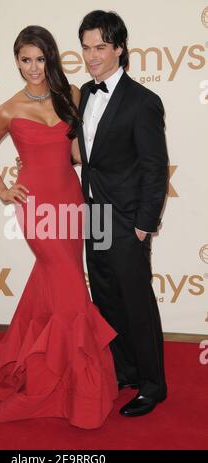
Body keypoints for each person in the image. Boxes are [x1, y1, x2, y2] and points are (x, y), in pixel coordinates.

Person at [0, 25, 118, 429]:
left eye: (39, 58)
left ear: (50, 58)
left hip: (70, 199)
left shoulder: (71, 96)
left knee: (58, 283)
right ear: (17, 62)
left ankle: (31, 355)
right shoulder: (7, 109)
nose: (33, 68)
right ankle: (76, 388)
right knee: (71, 285)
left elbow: (74, 152)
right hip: (35, 206)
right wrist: (2, 188)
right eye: (25, 60)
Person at [77, 10, 169, 417]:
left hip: (127, 220)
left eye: (100, 47)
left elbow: (154, 168)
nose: (91, 56)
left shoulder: (143, 102)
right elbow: (88, 158)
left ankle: (153, 384)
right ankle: (125, 370)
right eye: (85, 47)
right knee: (106, 300)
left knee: (136, 303)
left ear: (118, 48)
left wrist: (144, 225)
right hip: (93, 216)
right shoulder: (83, 92)